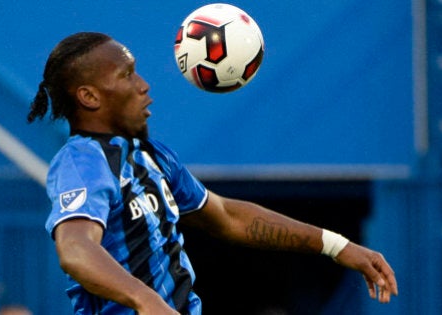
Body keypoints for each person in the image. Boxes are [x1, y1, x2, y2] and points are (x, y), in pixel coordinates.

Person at [27, 32, 397, 315]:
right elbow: (76, 248)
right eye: (126, 75)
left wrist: (337, 245)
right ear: (89, 97)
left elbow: (226, 215)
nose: (143, 85)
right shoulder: (82, 160)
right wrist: (145, 300)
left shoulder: (152, 157)